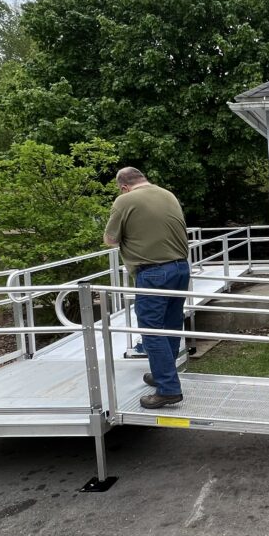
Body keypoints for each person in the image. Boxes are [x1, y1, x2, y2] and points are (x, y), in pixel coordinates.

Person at [103, 167, 190, 408]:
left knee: (151, 330)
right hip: (181, 268)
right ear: (143, 179)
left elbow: (110, 240)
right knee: (171, 325)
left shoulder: (124, 200)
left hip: (153, 272)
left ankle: (168, 389)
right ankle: (164, 373)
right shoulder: (167, 194)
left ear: (124, 186)